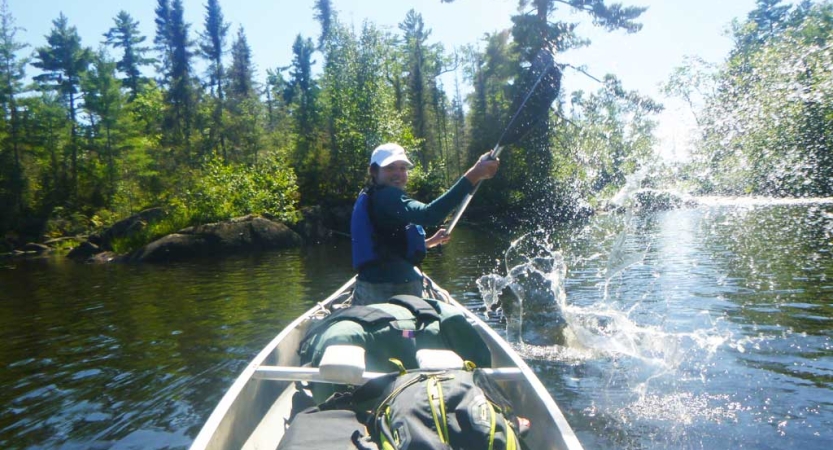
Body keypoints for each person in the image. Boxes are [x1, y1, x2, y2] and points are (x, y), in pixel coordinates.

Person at [351, 142, 499, 305]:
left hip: (377, 284)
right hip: (393, 289)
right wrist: (475, 173)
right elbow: (430, 214)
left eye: (402, 168)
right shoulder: (387, 197)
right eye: (390, 168)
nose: (398, 173)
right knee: (408, 331)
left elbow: (390, 244)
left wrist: (429, 242)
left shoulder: (373, 196)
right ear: (374, 171)